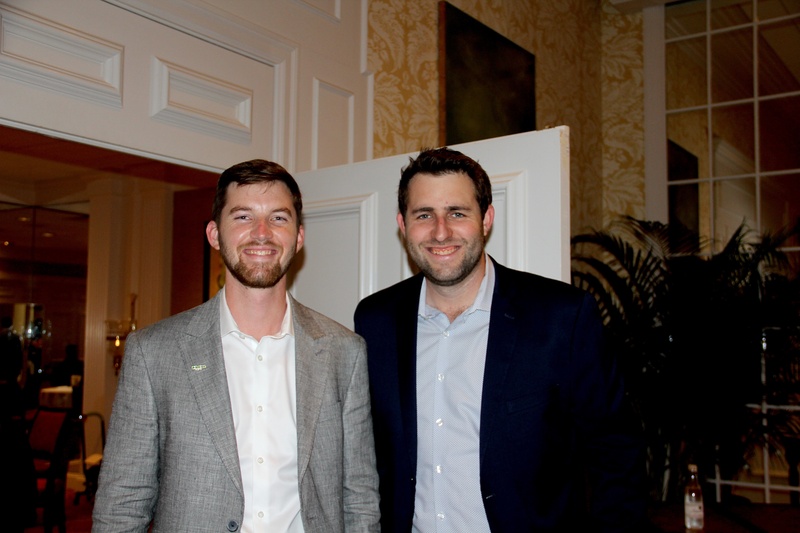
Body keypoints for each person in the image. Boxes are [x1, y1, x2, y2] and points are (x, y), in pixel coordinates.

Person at [354, 147, 647, 532]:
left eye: (457, 213)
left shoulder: (561, 317)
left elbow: (617, 453)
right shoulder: (375, 320)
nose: (440, 231)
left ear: (486, 219)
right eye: (424, 215)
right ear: (402, 224)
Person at [93, 159, 380, 532]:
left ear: (298, 237)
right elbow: (122, 504)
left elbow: (359, 498)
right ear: (214, 234)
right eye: (243, 217)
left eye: (278, 218)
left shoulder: (344, 352)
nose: (262, 233)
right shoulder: (154, 353)